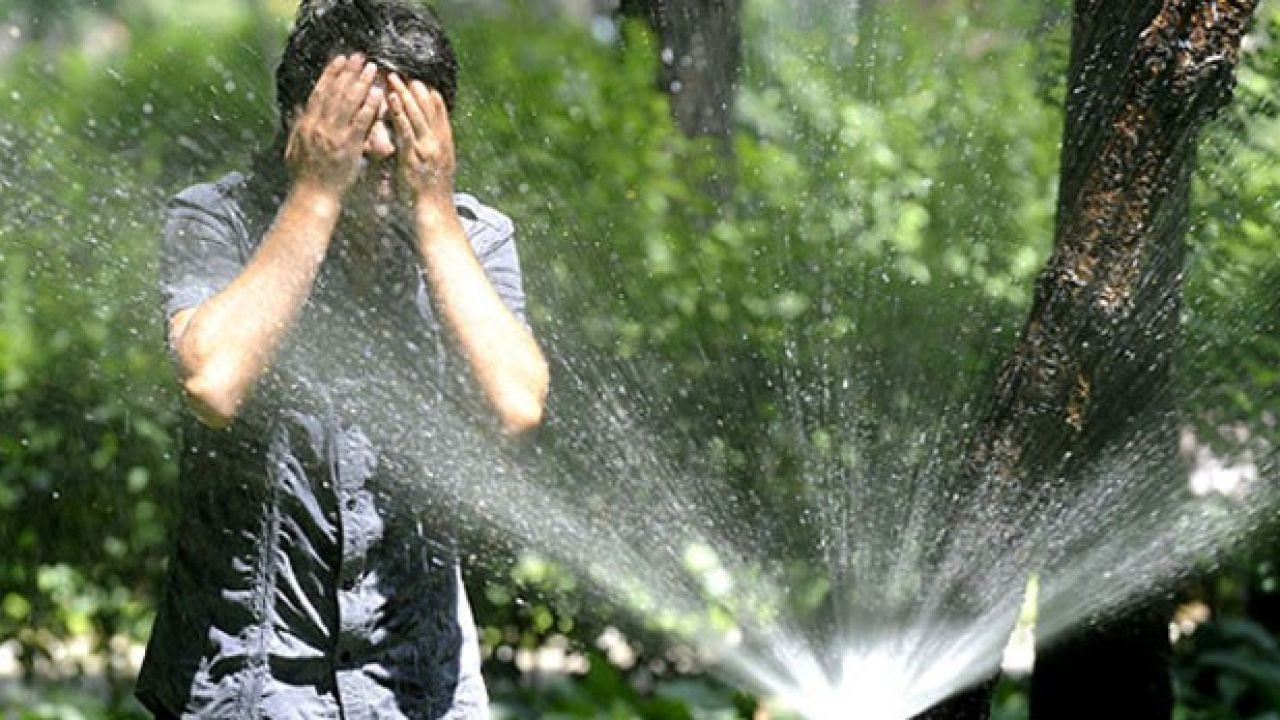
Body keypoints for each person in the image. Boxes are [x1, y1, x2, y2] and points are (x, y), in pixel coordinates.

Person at [136, 0, 549, 717]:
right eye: (361, 122)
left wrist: (434, 209)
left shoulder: (474, 239)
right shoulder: (218, 220)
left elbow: (515, 403)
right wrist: (317, 191)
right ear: (301, 116)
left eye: (404, 123)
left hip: (422, 692)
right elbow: (213, 381)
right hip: (246, 690)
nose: (385, 149)